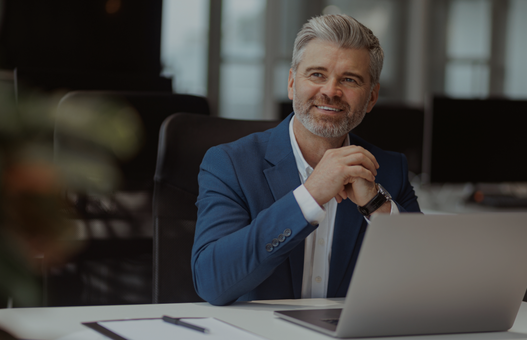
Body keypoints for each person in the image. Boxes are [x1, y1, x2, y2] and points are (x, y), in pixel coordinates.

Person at [191, 14, 421, 306]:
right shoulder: (229, 164)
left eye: (349, 79)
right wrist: (309, 196)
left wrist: (375, 204)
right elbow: (212, 282)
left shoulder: (389, 169)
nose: (330, 91)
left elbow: (427, 281)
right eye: (316, 75)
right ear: (291, 83)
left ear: (372, 97)